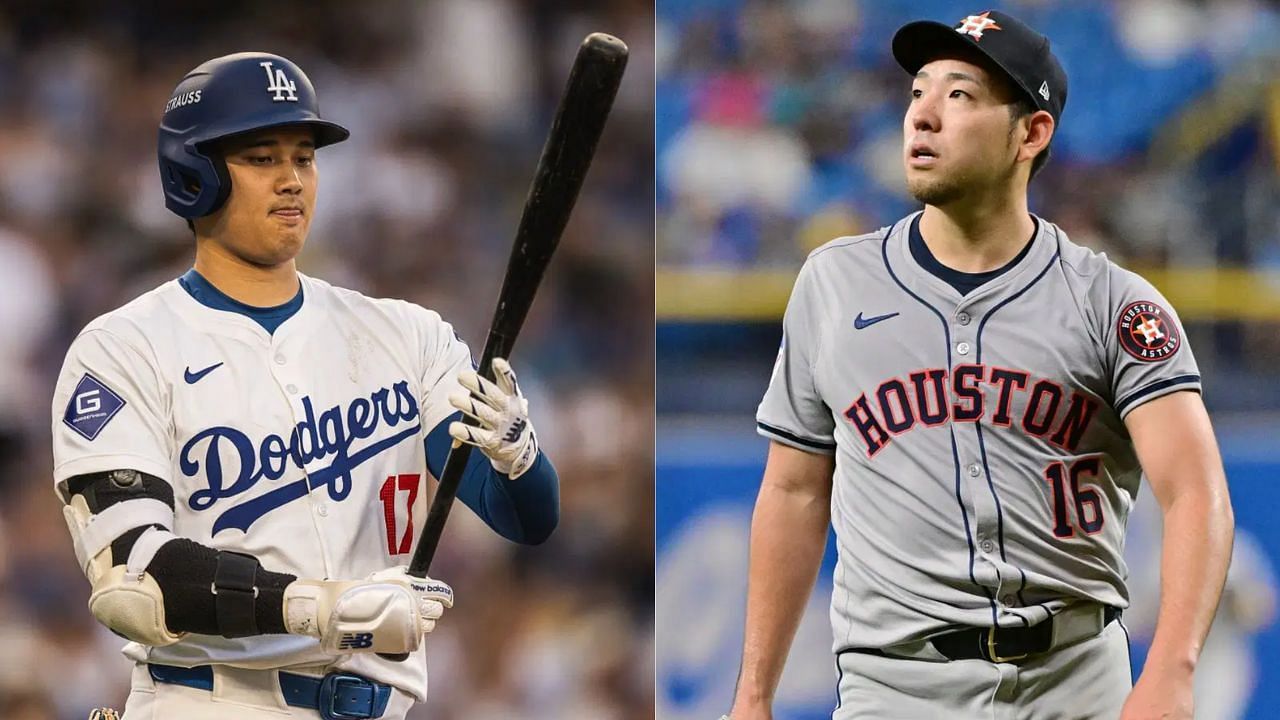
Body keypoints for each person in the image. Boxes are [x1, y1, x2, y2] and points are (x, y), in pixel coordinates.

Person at [726, 10, 1233, 720]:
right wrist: (752, 696)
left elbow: (1195, 491)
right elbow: (792, 491)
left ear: (1031, 133)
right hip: (895, 689)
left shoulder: (1112, 303)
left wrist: (1173, 671)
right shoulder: (833, 283)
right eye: (917, 93)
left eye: (959, 96)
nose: (923, 116)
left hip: (1075, 682)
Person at [51, 52, 560, 720]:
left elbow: (527, 519)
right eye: (262, 159)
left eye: (304, 157)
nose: (291, 180)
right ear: (194, 176)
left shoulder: (406, 335)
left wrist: (517, 453)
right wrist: (324, 607)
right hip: (210, 701)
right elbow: (135, 581)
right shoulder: (123, 348)